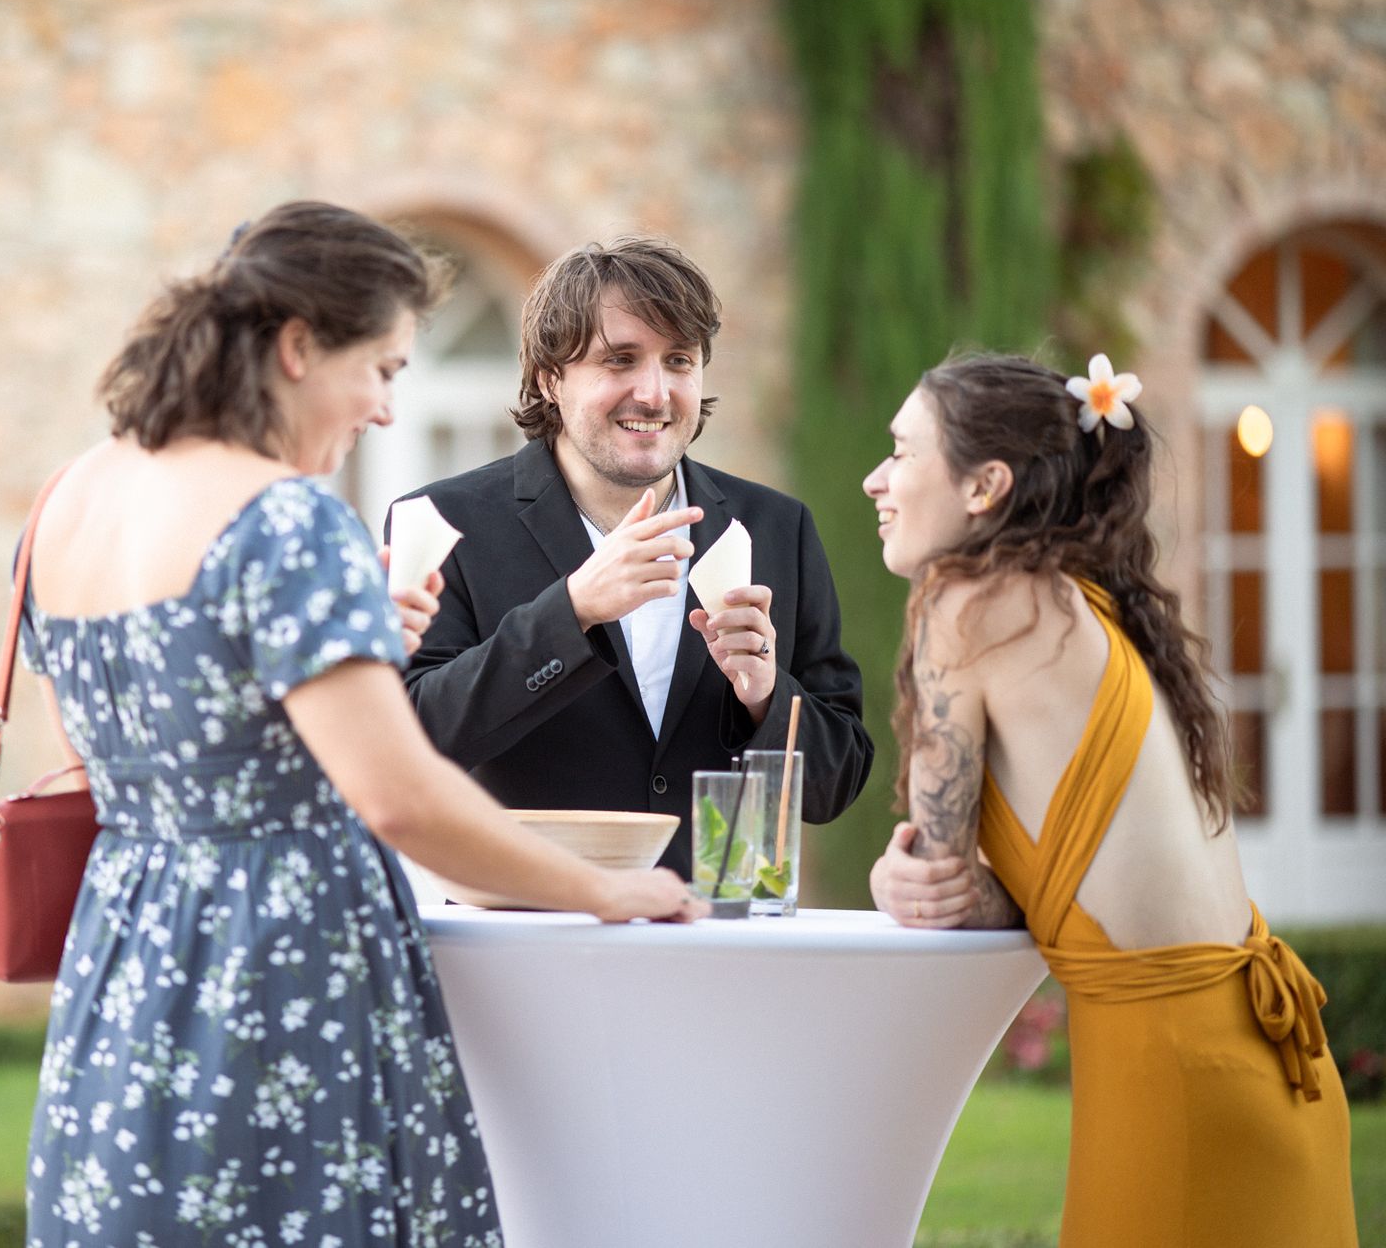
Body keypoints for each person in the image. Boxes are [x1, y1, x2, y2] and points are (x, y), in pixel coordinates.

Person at [13, 202, 705, 1246]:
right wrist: (606, 889)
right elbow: (396, 795)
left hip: (131, 956)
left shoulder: (71, 494)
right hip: (280, 975)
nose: (387, 411)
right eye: (381, 370)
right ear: (297, 349)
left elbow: (118, 743)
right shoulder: (284, 518)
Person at [863, 353, 1357, 1247]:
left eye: (900, 452)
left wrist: (900, 881)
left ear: (986, 485)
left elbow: (942, 884)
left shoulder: (966, 603)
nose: (875, 479)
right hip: (1272, 1071)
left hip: (1173, 1085)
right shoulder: (1088, 603)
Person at [393, 236, 871, 879]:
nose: (654, 392)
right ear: (549, 379)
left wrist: (765, 698)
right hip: (528, 934)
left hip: (718, 940)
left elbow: (834, 785)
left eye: (679, 360)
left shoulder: (775, 528)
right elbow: (411, 745)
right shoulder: (446, 523)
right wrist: (571, 611)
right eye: (619, 360)